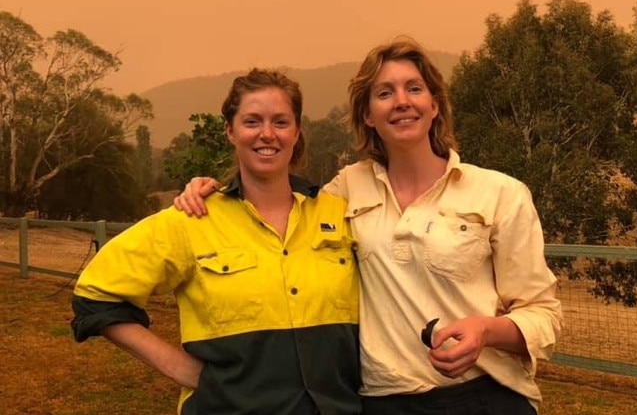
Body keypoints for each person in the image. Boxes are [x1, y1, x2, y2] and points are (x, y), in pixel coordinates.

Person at [175, 37, 563, 414]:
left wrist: (485, 331)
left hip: (484, 396)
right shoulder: (343, 190)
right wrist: (214, 189)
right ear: (367, 114)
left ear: (434, 105)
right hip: (381, 400)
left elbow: (542, 314)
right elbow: (274, 200)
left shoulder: (499, 193)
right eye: (384, 93)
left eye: (414, 88)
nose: (402, 102)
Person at [71, 68, 362, 415]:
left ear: (297, 131)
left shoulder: (339, 213)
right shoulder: (193, 219)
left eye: (281, 122)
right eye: (252, 121)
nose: (267, 134)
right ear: (230, 130)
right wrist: (179, 369)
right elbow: (95, 295)